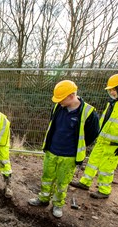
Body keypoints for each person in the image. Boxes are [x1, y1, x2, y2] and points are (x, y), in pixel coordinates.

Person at [28, 80, 99, 218]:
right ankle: (43, 199)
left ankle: (58, 204)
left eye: (61, 99)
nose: (58, 102)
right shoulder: (58, 108)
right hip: (52, 150)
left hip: (69, 155)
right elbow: (53, 126)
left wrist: (77, 147)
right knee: (47, 177)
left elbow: (91, 134)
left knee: (62, 182)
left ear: (71, 96)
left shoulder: (89, 112)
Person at [70, 74, 118, 199]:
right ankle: (85, 182)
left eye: (113, 90)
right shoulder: (112, 104)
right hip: (102, 141)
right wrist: (96, 134)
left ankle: (104, 190)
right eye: (110, 90)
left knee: (106, 168)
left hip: (113, 145)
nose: (111, 92)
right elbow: (103, 121)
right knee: (92, 163)